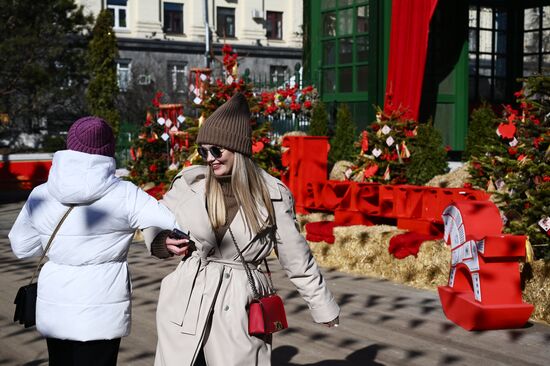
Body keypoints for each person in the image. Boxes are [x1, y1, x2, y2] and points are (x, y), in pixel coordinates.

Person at [143, 93, 340, 366]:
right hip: (186, 299)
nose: (209, 158)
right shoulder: (190, 184)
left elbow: (296, 257)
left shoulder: (272, 195)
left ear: (237, 149)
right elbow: (154, 218)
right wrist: (163, 241)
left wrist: (322, 305)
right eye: (203, 151)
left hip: (238, 304)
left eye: (216, 150)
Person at [9, 116, 177, 366]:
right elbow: (172, 222)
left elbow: (21, 246)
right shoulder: (126, 194)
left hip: (56, 304)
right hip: (103, 307)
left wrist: (59, 244)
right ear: (108, 150)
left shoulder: (41, 194)